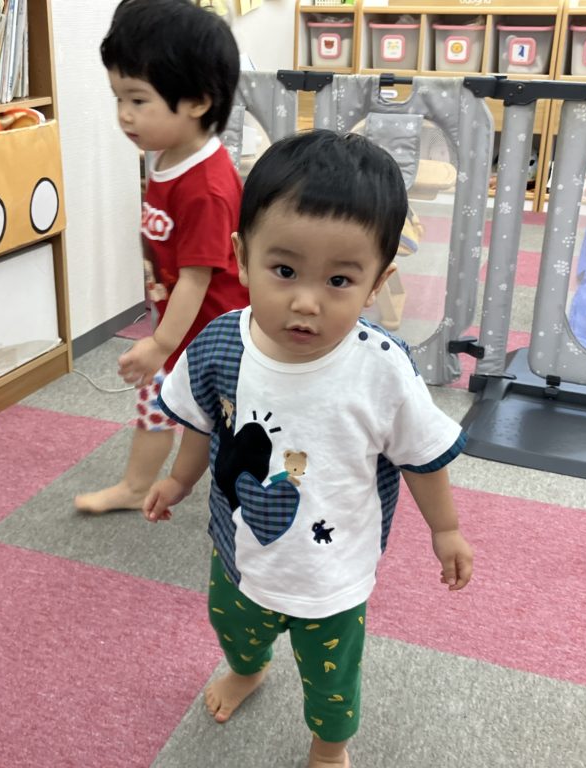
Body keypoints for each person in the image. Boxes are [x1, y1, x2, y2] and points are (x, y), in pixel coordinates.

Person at [143, 130, 474, 768]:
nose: (305, 301)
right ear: (242, 257)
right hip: (239, 547)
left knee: (332, 679)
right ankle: (248, 669)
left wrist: (447, 530)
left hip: (332, 574)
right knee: (234, 627)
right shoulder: (220, 343)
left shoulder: (381, 367)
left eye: (340, 279)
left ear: (377, 282)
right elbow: (202, 422)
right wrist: (180, 480)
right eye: (284, 270)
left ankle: (329, 747)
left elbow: (421, 455)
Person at [75, 0, 249, 514]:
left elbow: (197, 279)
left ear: (196, 101)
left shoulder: (207, 187)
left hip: (214, 335)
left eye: (138, 99)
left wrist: (160, 344)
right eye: (118, 98)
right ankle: (136, 486)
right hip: (177, 324)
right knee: (155, 407)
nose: (124, 114)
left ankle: (250, 495)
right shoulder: (167, 156)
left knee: (221, 421)